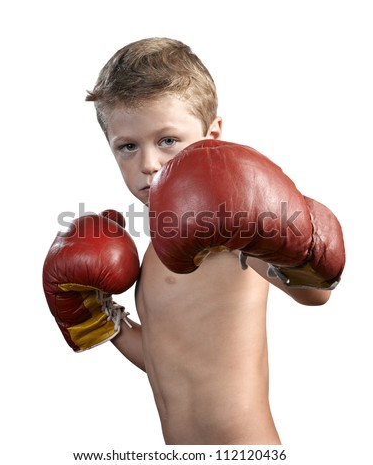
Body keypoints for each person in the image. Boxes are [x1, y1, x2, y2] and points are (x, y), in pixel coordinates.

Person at [43, 38, 345, 445]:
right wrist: (103, 322)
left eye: (167, 140)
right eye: (128, 147)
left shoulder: (229, 231)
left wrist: (278, 237)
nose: (148, 163)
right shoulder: (160, 248)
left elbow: (315, 295)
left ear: (212, 135)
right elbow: (164, 363)